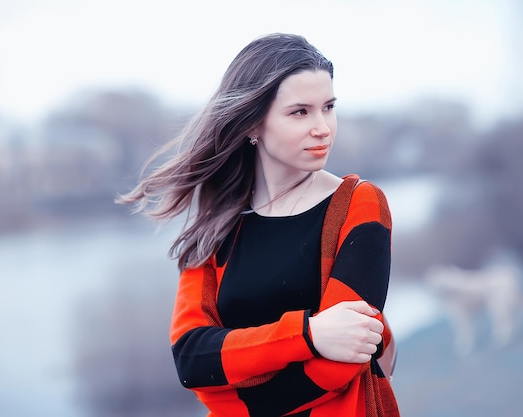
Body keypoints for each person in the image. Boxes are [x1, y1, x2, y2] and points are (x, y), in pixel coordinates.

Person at [117, 33, 400, 417]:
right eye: (300, 111)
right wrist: (309, 335)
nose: (323, 128)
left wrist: (236, 389)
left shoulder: (359, 204)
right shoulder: (215, 225)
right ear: (253, 123)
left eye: (328, 107)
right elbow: (192, 358)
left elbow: (347, 357)